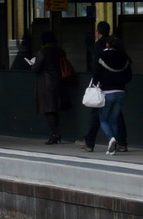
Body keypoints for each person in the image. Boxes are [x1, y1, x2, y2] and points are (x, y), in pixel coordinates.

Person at [75, 21, 128, 152]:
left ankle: (91, 142)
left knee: (98, 115)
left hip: (104, 88)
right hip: (120, 89)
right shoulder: (120, 50)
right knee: (116, 117)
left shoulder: (99, 48)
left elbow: (97, 68)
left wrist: (95, 83)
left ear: (98, 33)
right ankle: (122, 143)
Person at [91, 35, 132, 155]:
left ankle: (111, 138)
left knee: (103, 119)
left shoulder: (103, 56)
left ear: (108, 44)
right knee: (114, 120)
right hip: (121, 93)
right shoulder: (124, 57)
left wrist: (95, 84)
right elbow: (129, 76)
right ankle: (117, 143)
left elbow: (97, 74)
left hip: (107, 92)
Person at [30, 31, 70, 144]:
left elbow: (36, 68)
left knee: (49, 110)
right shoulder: (60, 51)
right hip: (60, 82)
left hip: (46, 84)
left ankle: (54, 133)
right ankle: (57, 132)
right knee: (56, 109)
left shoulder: (42, 52)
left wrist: (32, 64)